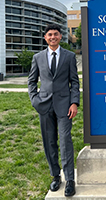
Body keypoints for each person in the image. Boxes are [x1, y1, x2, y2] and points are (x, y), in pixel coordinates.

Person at [28, 24, 80, 197]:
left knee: (65, 141)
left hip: (65, 106)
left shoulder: (69, 56)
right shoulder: (37, 57)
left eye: (55, 34)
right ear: (45, 37)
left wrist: (74, 103)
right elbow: (32, 81)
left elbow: (74, 82)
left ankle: (70, 179)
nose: (53, 37)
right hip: (44, 105)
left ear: (60, 36)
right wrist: (35, 100)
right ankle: (56, 176)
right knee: (49, 142)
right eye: (49, 35)